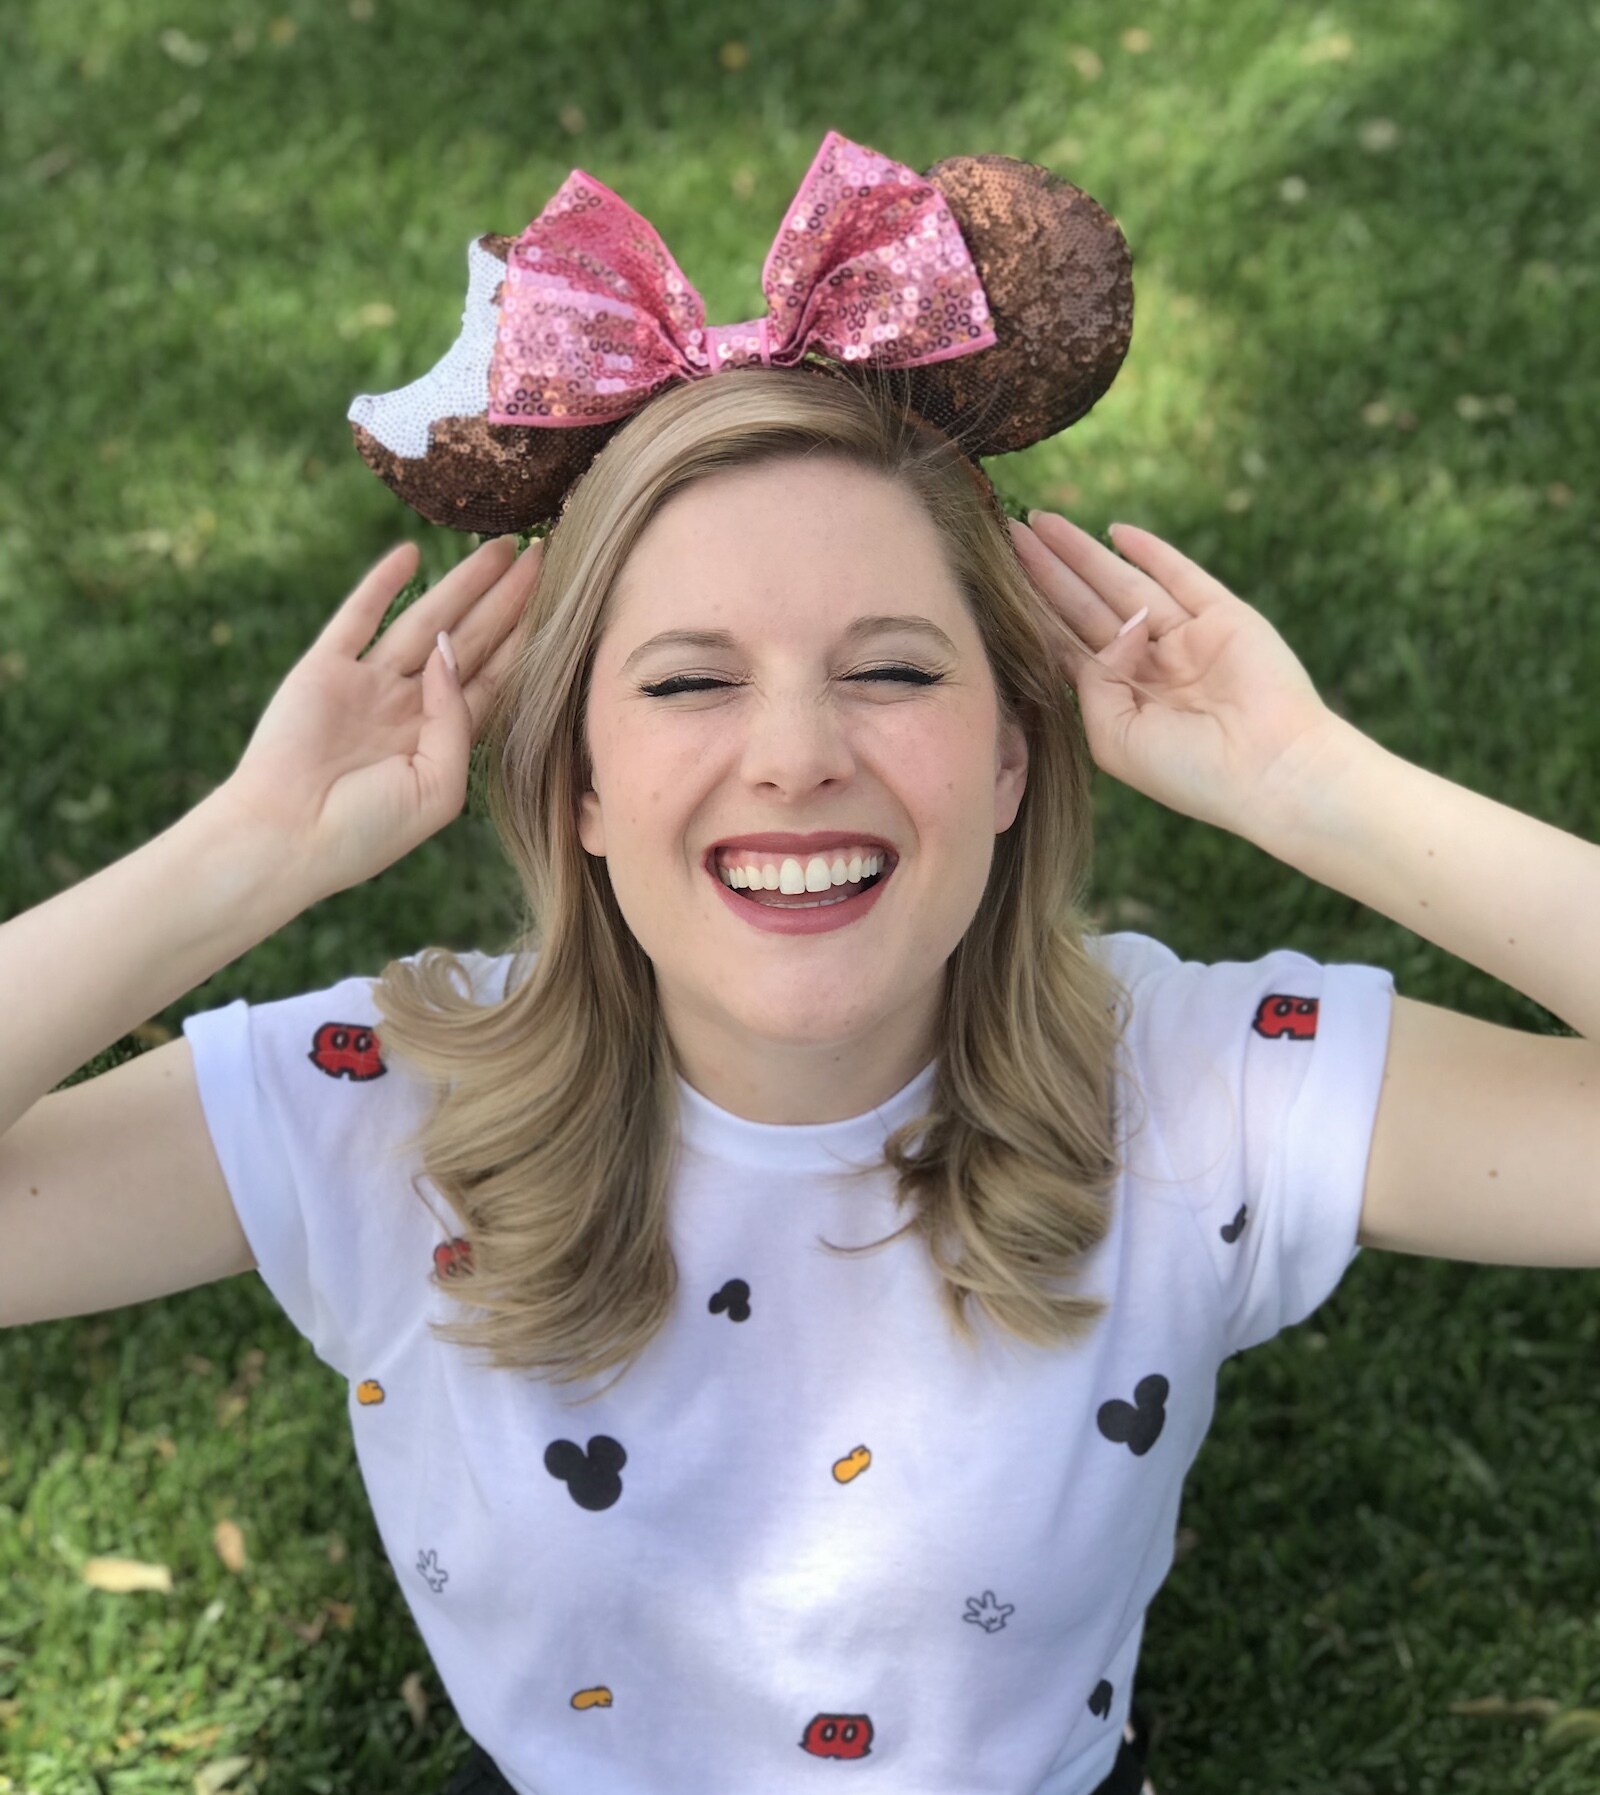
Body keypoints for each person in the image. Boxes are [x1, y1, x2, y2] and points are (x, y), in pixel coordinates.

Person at [3, 136, 1596, 1795]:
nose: (794, 758)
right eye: (690, 684)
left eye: (894, 670)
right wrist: (237, 860)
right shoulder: (390, 1110)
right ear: (583, 784)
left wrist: (1318, 789)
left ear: (1009, 756)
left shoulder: (1187, 1089)